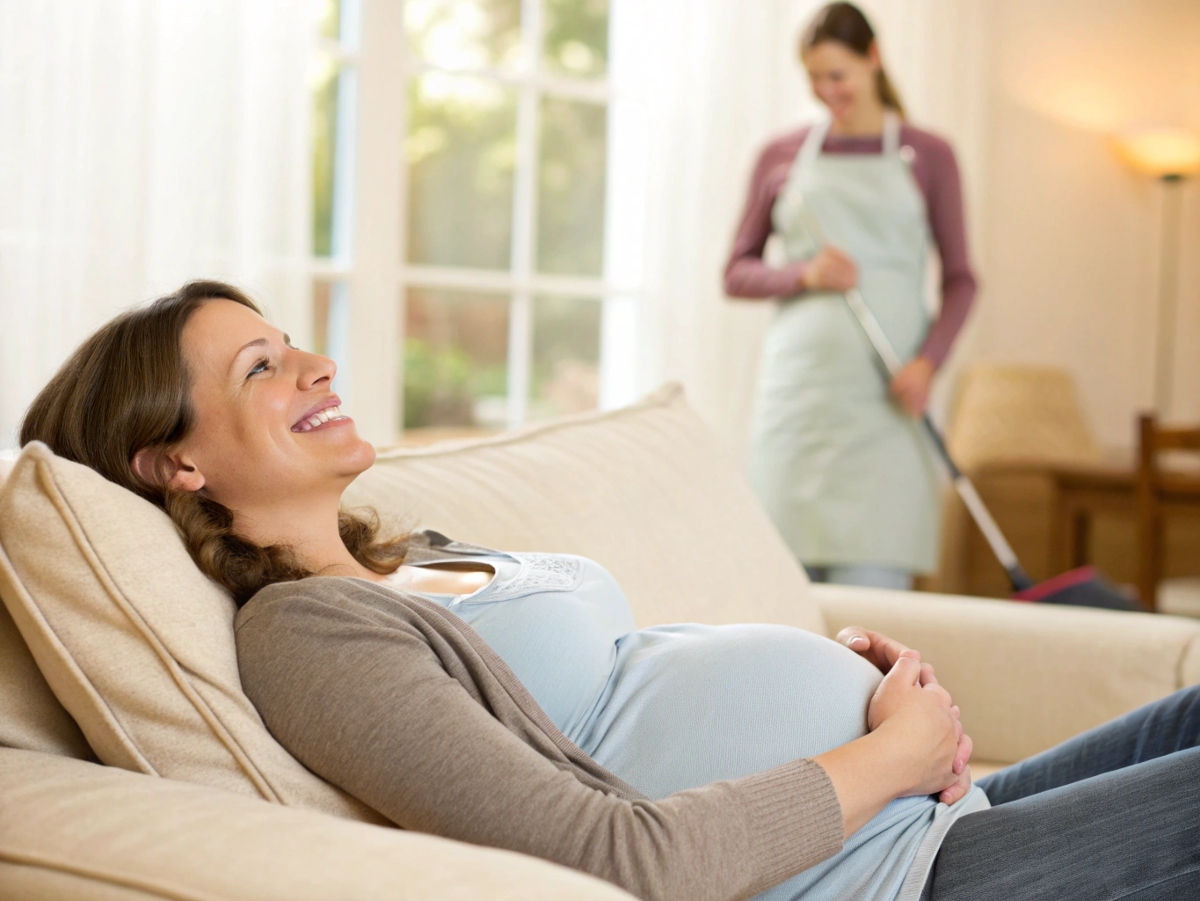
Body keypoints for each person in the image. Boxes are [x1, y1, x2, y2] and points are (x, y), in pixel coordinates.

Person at [20, 280, 1200, 901]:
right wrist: (886, 752)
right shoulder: (310, 633)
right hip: (882, 880)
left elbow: (634, 688)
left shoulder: (406, 554)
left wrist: (854, 677)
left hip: (921, 815)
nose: (317, 363)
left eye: (294, 341)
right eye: (261, 367)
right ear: (175, 462)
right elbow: (617, 859)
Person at [725, 3, 978, 592]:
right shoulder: (781, 155)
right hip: (798, 409)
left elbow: (963, 279)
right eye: (813, 77)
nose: (825, 90)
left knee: (875, 623)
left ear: (873, 57)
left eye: (837, 74)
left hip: (885, 417)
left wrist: (928, 363)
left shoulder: (929, 155)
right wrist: (803, 274)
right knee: (782, 609)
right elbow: (736, 272)